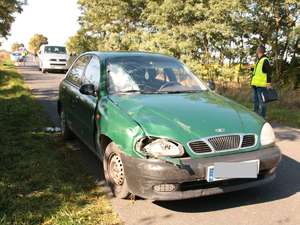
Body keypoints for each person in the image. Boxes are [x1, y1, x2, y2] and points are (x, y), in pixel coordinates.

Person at [250, 45, 272, 118]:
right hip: (255, 85)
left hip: (261, 86)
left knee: (262, 102)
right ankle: (255, 117)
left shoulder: (265, 60)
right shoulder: (259, 60)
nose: (256, 50)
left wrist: (268, 83)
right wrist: (251, 69)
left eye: (257, 49)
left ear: (259, 50)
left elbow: (269, 72)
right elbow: (258, 71)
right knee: (255, 102)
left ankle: (262, 117)